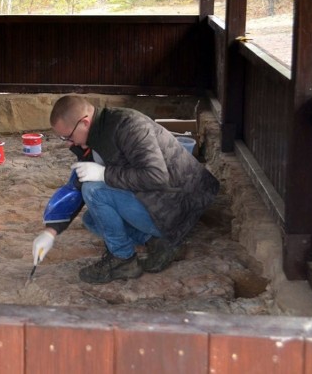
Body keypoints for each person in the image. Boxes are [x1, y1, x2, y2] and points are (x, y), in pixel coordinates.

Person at [32, 95, 219, 284]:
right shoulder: (91, 138)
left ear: (85, 123)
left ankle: (123, 260)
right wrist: (51, 232)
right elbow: (77, 187)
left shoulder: (129, 126)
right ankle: (160, 242)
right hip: (159, 201)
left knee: (94, 191)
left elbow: (157, 176)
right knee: (92, 220)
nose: (67, 143)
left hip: (179, 207)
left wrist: (104, 175)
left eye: (68, 136)